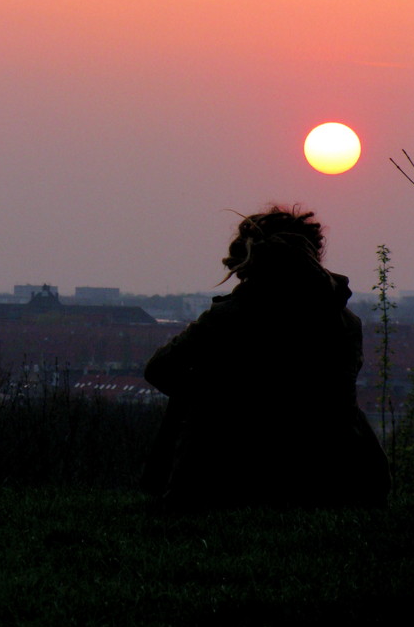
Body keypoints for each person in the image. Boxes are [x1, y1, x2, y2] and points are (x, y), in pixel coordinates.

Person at [142, 206, 391, 509]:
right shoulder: (346, 322)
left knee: (196, 388)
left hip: (233, 476)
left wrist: (219, 393)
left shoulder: (229, 316)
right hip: (341, 479)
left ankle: (172, 493)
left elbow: (159, 369)